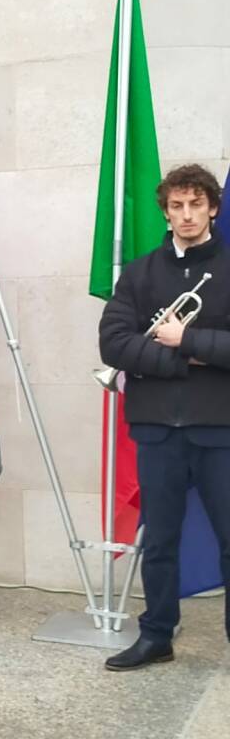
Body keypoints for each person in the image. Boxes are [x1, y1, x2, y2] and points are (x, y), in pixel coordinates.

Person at [99, 163, 230, 671]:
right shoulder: (139, 272)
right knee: (159, 540)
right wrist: (185, 358)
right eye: (177, 205)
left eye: (197, 204)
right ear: (166, 211)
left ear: (213, 208)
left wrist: (187, 340)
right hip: (156, 427)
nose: (187, 215)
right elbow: (113, 343)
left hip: (220, 426)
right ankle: (156, 634)